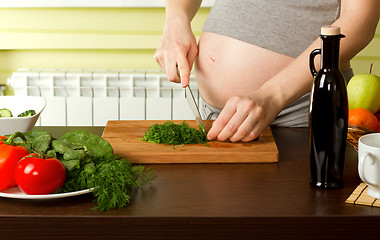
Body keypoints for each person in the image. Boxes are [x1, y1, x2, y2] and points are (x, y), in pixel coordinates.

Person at [154, 0, 380, 142]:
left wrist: (273, 95)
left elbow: (361, 19)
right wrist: (175, 20)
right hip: (214, 114)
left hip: (298, 116)